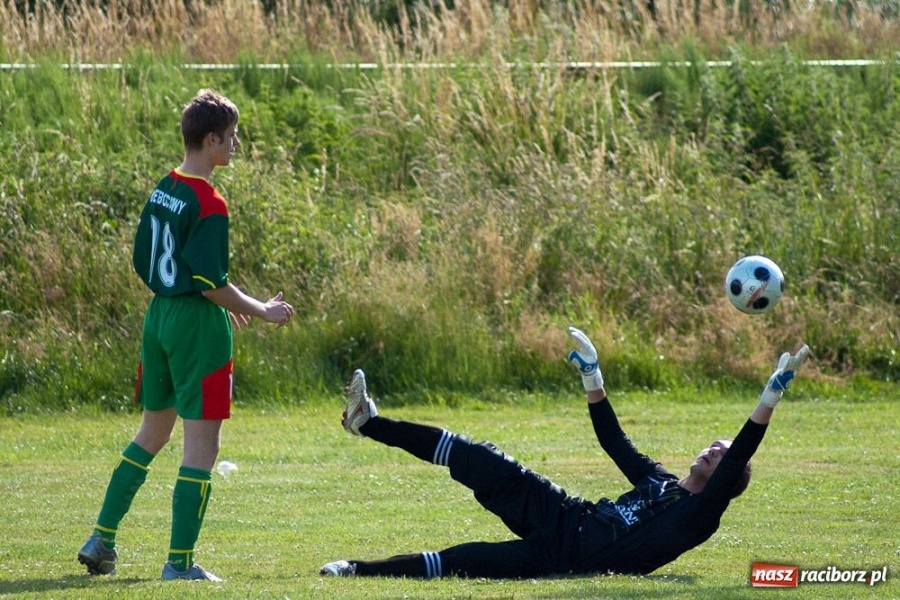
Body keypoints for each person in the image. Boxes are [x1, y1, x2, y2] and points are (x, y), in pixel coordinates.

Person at [319, 326, 809, 579]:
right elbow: (615, 442)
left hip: (565, 557)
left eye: (722, 456)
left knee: (457, 561)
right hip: (563, 513)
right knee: (476, 456)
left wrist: (769, 397)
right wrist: (592, 378)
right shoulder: (660, 481)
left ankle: (355, 569)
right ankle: (370, 422)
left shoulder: (701, 515)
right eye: (714, 445)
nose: (713, 451)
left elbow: (744, 447)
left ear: (726, 483)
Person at [77, 89, 295, 581]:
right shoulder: (210, 199)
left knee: (151, 434)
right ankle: (179, 564)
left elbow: (165, 266)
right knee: (203, 448)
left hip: (160, 318)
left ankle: (101, 538)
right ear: (212, 138)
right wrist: (262, 309)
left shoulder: (164, 186)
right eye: (233, 137)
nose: (237, 145)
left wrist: (207, 296)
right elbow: (211, 282)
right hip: (196, 328)